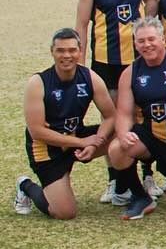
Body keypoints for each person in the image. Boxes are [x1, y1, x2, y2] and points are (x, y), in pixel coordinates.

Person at [14, 28, 118, 220]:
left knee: (123, 135)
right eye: (60, 50)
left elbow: (111, 116)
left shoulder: (90, 78)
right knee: (64, 212)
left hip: (75, 138)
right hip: (47, 148)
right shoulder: (38, 83)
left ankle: (123, 188)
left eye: (71, 50)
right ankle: (25, 186)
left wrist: (96, 141)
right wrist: (82, 143)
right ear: (51, 52)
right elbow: (36, 132)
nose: (66, 55)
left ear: (80, 51)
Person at [106, 17, 166, 219]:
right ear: (135, 44)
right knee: (117, 148)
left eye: (151, 39)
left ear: (162, 39)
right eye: (141, 41)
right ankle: (140, 197)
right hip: (150, 135)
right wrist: (122, 134)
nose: (147, 45)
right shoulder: (130, 72)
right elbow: (124, 113)